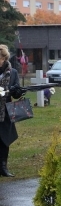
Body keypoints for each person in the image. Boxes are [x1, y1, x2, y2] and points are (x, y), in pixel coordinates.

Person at [0, 44, 24, 177]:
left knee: (4, 139)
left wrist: (16, 90)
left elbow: (16, 94)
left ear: (4, 58)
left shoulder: (12, 72)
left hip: (5, 110)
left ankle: (3, 167)